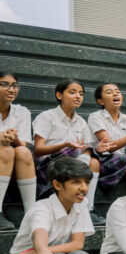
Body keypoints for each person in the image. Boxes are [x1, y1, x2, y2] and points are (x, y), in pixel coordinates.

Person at [32, 79, 103, 223]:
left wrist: (95, 149)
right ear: (59, 95)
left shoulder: (81, 122)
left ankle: (87, 209)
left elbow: (87, 148)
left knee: (94, 161)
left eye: (81, 94)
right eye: (72, 92)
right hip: (49, 163)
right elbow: (38, 149)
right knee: (76, 154)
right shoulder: (47, 117)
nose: (78, 96)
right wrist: (64, 145)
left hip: (74, 162)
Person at [0, 70, 37, 230]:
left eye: (14, 85)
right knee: (5, 150)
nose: (11, 89)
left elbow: (24, 144)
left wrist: (12, 138)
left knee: (23, 152)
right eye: (4, 85)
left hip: (12, 163)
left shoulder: (21, 111)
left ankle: (31, 213)